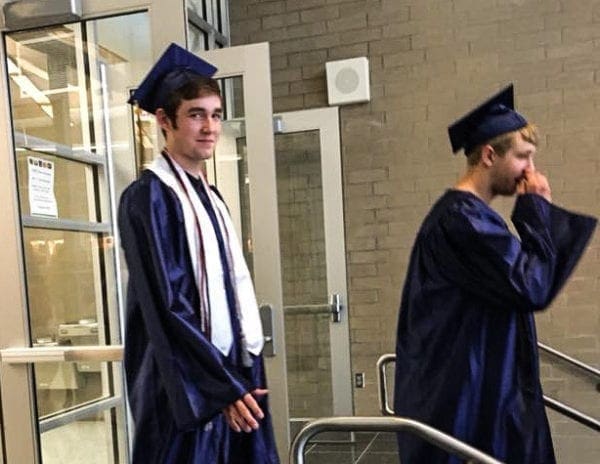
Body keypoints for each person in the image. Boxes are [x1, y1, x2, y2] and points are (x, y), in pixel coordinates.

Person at [393, 84, 596, 464]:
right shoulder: (462, 221)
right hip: (461, 400)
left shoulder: (470, 217)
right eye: (523, 157)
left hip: (479, 384)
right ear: (489, 154)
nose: (530, 171)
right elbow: (531, 286)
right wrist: (535, 207)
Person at [118, 43, 279, 463]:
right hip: (182, 384)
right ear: (164, 120)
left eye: (216, 114)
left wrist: (238, 373)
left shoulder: (211, 196)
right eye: (195, 114)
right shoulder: (148, 197)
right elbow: (168, 307)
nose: (210, 127)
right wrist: (219, 386)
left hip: (225, 371)